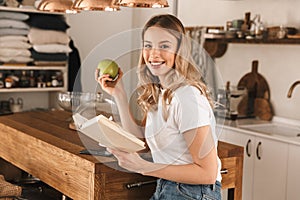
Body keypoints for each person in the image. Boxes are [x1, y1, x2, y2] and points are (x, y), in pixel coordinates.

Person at [96, 14, 222, 200]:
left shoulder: (187, 97)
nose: (154, 54)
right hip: (168, 187)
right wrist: (119, 94)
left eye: (164, 46)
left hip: (194, 192)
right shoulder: (162, 93)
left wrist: (143, 167)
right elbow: (142, 145)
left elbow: (207, 173)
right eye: (148, 45)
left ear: (179, 51)